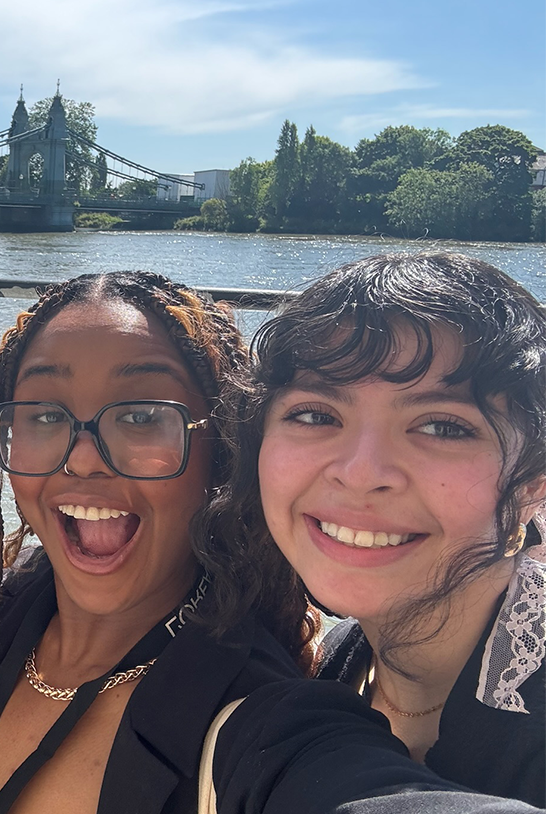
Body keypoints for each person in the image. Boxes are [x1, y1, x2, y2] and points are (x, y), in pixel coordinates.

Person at [0, 270, 319, 814]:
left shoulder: (263, 727)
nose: (82, 458)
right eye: (45, 415)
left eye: (139, 416)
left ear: (223, 449)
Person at [204, 252, 546, 806]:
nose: (360, 474)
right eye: (315, 415)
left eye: (441, 426)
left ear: (534, 481)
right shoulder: (335, 656)